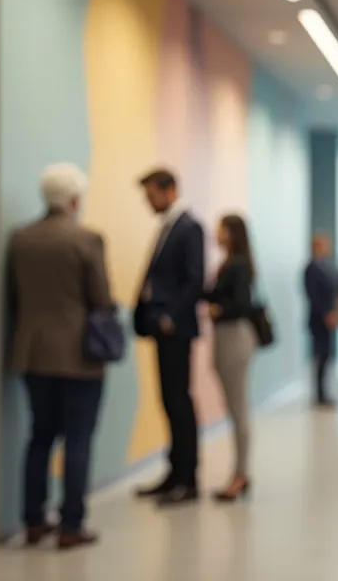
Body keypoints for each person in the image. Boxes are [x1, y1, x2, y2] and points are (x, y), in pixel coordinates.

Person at [7, 163, 113, 549]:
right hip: (79, 357)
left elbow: (16, 297)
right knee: (78, 440)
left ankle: (33, 520)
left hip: (33, 354)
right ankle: (71, 524)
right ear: (73, 199)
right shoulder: (86, 240)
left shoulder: (20, 239)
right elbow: (100, 299)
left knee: (39, 437)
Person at [133, 168, 205, 506]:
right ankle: (174, 473)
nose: (148, 201)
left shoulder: (189, 228)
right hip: (163, 329)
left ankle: (187, 478)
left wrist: (168, 317)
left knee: (179, 402)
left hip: (175, 330)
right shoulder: (168, 228)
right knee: (169, 401)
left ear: (170, 190)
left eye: (151, 194)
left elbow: (194, 280)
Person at [203, 215, 258, 502]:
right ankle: (240, 472)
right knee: (235, 407)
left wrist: (218, 309)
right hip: (226, 337)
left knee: (238, 408)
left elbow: (241, 305)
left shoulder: (237, 266)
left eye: (221, 228)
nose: (217, 233)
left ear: (233, 233)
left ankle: (240, 473)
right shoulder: (231, 263)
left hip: (234, 337)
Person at [304, 234, 338, 408]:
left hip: (329, 318)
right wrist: (326, 313)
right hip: (319, 320)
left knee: (327, 356)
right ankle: (319, 394)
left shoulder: (326, 266)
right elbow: (313, 296)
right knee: (320, 356)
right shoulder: (312, 268)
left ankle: (325, 392)